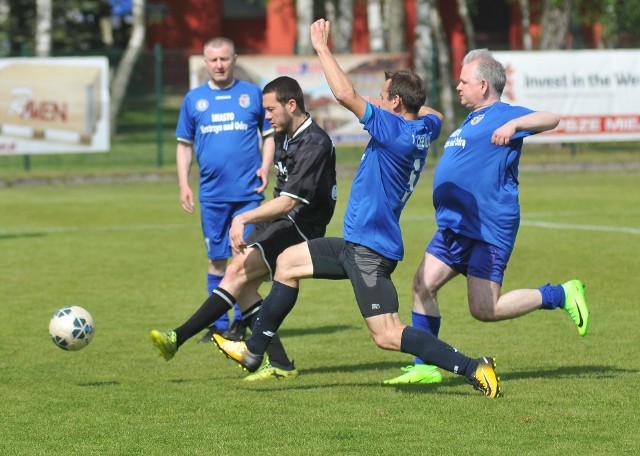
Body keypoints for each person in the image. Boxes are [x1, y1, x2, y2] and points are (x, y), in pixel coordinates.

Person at [213, 19, 501, 398]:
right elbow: (436, 114)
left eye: (383, 97)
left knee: (387, 335)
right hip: (356, 243)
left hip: (370, 251)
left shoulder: (393, 131)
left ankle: (472, 367)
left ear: (395, 103)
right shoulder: (423, 127)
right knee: (287, 263)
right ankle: (254, 353)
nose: (377, 102)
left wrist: (321, 48)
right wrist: (406, 100)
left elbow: (345, 93)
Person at [383, 48, 590, 385]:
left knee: (484, 310)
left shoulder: (503, 113)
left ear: (483, 84)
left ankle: (561, 294)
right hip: (453, 226)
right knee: (423, 284)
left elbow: (550, 118)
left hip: (486, 229)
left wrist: (516, 123)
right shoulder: (471, 119)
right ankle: (425, 366)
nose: (458, 86)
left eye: (464, 81)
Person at [151, 75, 338, 381]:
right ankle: (279, 363)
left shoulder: (314, 142)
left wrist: (243, 218)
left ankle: (177, 338)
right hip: (279, 221)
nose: (265, 116)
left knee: (237, 274)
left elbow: (290, 203)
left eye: (269, 109)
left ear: (291, 105)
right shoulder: (284, 134)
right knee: (243, 285)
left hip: (301, 226)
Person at [175, 37, 275, 342]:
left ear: (234, 60)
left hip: (248, 195)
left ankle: (239, 323)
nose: (219, 65)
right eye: (213, 60)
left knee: (243, 261)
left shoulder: (252, 95)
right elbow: (184, 145)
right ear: (205, 63)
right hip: (212, 195)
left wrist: (265, 166)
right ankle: (217, 325)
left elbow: (269, 135)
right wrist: (183, 184)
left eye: (224, 59)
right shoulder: (194, 100)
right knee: (217, 259)